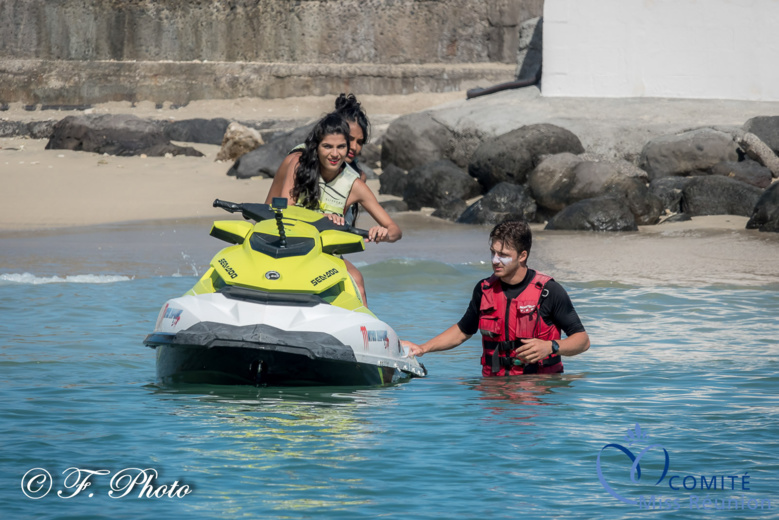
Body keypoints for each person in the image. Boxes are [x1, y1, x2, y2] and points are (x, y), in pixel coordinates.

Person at [401, 219, 589, 377]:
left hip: (538, 391)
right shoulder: (484, 290)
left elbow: (582, 340)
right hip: (493, 390)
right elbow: (462, 331)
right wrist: (423, 348)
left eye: (503, 255)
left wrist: (551, 347)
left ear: (522, 256)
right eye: (493, 252)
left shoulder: (549, 291)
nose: (494, 260)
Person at [280, 112, 401, 306]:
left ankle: (364, 323)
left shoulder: (355, 184)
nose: (335, 154)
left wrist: (384, 233)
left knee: (357, 281)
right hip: (291, 244)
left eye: (341, 147)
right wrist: (321, 218)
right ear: (317, 147)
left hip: (326, 254)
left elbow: (395, 231)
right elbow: (284, 211)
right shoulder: (299, 166)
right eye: (327, 146)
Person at [265, 93, 370, 223]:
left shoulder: (357, 176)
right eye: (349, 139)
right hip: (278, 224)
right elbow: (278, 209)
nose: (354, 147)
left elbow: (339, 216)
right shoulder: (298, 160)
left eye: (360, 142)